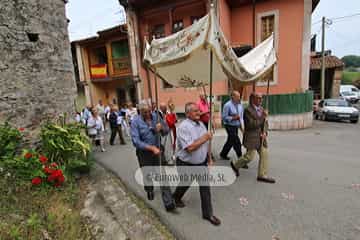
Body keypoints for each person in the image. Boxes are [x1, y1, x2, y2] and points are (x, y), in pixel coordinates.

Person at [172, 102, 221, 226]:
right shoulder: (183, 127)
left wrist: (209, 158)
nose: (199, 113)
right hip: (186, 163)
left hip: (201, 163)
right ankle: (176, 197)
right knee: (185, 183)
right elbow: (189, 148)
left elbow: (207, 144)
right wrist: (205, 137)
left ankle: (208, 214)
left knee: (205, 188)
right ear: (188, 114)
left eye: (199, 110)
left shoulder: (202, 126)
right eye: (195, 111)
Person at [130, 102, 176, 212]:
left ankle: (168, 202)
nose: (147, 114)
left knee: (162, 174)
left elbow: (166, 132)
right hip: (144, 153)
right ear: (140, 111)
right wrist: (151, 148)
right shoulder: (135, 122)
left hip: (158, 150)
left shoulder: (156, 117)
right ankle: (149, 189)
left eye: (149, 111)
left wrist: (161, 129)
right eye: (144, 112)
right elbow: (136, 141)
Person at [230, 93, 276, 184]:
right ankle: (235, 166)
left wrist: (265, 132)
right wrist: (263, 116)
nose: (260, 100)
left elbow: (265, 123)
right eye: (258, 98)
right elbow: (251, 125)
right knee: (249, 157)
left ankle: (262, 175)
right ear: (252, 99)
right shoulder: (248, 110)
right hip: (251, 137)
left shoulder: (262, 109)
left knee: (264, 154)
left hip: (261, 137)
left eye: (261, 98)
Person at [220, 90, 244, 162]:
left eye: (239, 96)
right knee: (237, 142)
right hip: (229, 126)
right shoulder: (227, 105)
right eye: (237, 96)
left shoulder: (240, 105)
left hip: (236, 126)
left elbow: (241, 116)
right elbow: (224, 117)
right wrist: (233, 118)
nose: (239, 98)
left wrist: (242, 126)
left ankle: (223, 154)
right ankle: (241, 160)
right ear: (232, 97)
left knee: (230, 141)